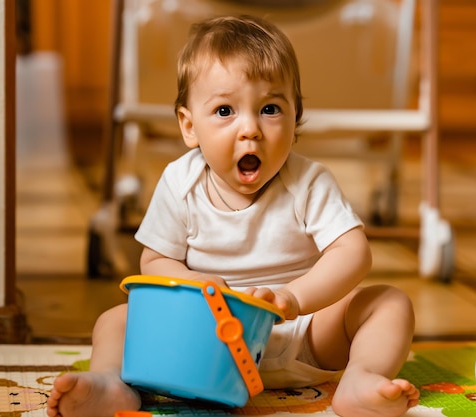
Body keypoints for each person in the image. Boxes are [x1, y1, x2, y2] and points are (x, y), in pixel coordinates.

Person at [46, 15, 419, 417]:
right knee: (116, 320)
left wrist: (295, 297)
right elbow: (153, 260)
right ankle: (111, 385)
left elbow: (353, 252)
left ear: (295, 119)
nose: (250, 129)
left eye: (270, 109)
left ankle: (360, 378)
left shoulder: (309, 182)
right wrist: (190, 281)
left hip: (303, 335)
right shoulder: (179, 182)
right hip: (203, 343)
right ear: (190, 127)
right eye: (225, 110)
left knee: (389, 303)